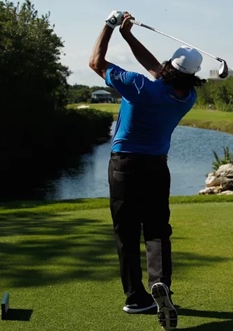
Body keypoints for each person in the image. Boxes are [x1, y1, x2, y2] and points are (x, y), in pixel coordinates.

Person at [89, 10, 205, 330]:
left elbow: (95, 62)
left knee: (127, 233)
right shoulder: (187, 96)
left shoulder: (138, 86)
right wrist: (130, 36)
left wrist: (110, 26)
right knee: (157, 229)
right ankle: (161, 284)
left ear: (169, 67)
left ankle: (135, 297)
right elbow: (158, 69)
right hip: (157, 168)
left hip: (124, 166)